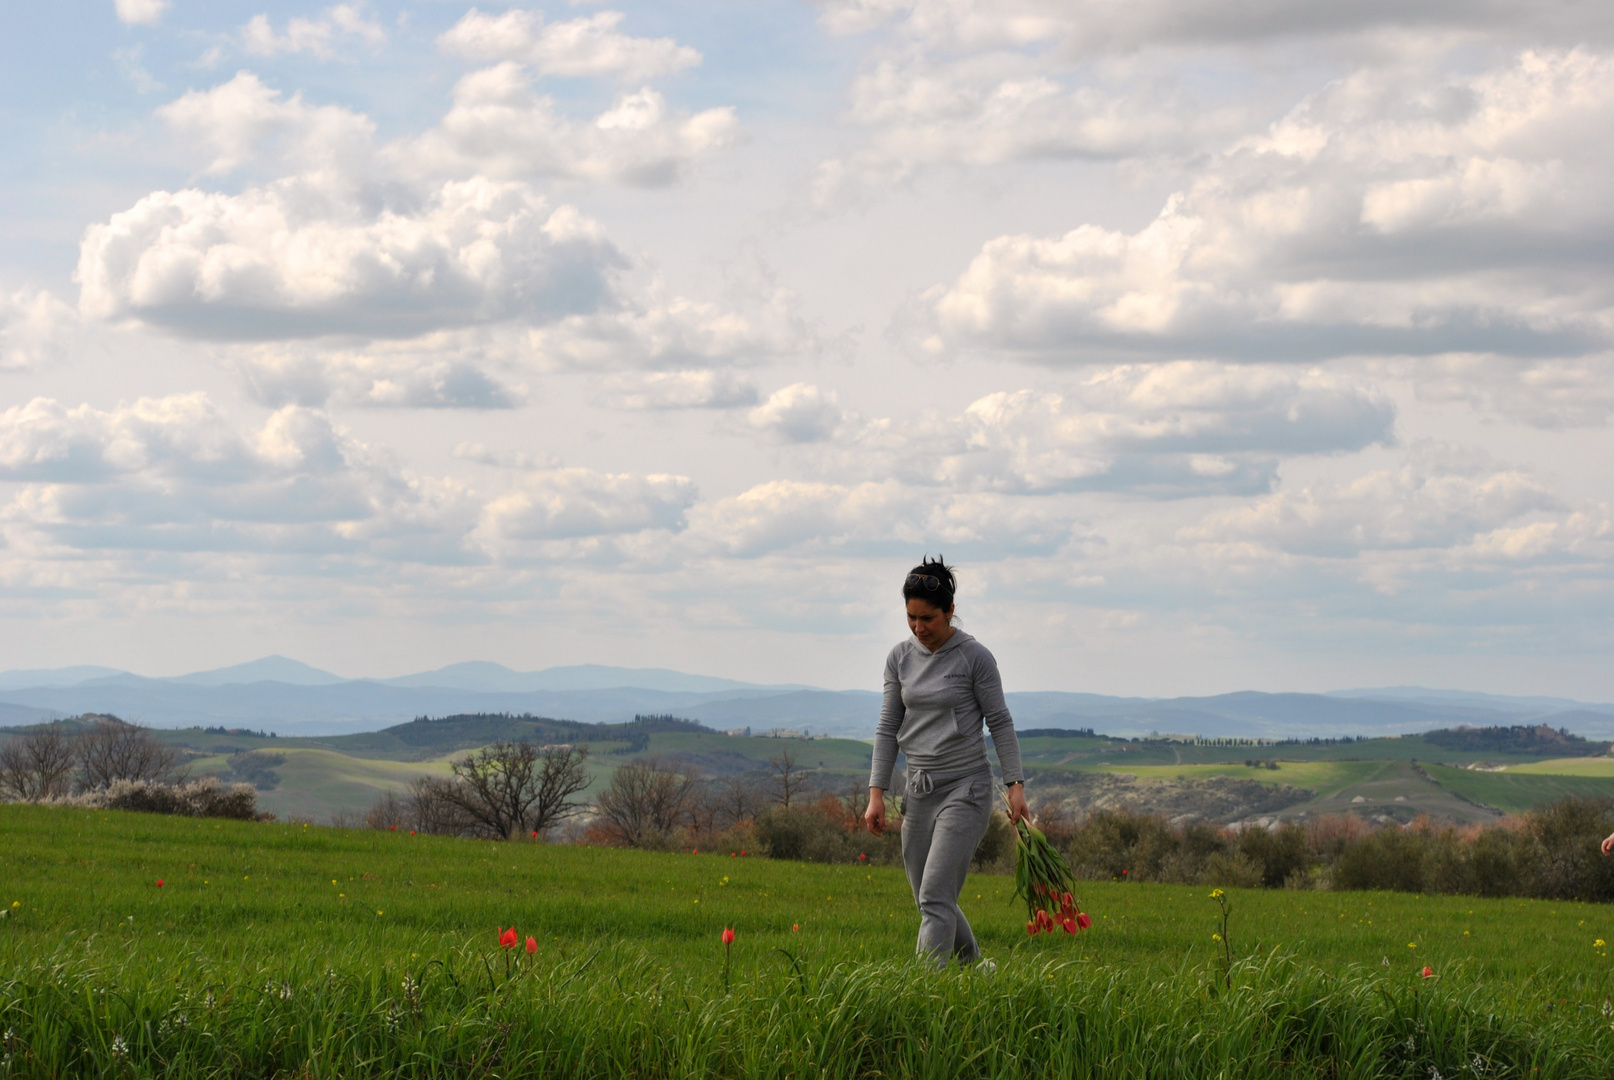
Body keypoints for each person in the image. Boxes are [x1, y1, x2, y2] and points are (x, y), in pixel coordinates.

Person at [863, 556, 1030, 968]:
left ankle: (925, 991)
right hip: (918, 790)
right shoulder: (899, 658)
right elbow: (888, 727)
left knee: (936, 895)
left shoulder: (975, 658)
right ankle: (977, 971)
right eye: (911, 618)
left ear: (950, 611)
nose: (919, 628)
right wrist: (876, 794)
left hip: (966, 788)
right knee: (929, 897)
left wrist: (1016, 784)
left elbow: (1001, 723)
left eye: (929, 619)